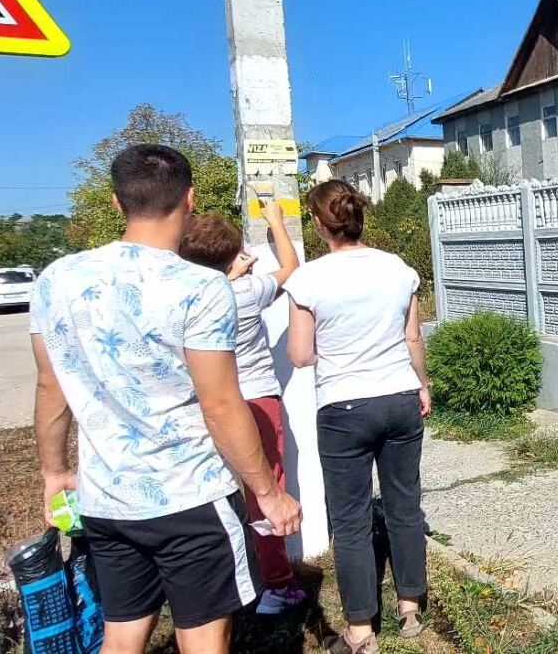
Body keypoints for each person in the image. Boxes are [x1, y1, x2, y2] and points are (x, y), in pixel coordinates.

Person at [31, 144, 301, 654]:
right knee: (203, 638)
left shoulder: (57, 280)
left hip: (107, 495)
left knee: (123, 634)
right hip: (191, 496)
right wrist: (267, 490)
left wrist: (54, 473)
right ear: (190, 198)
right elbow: (220, 404)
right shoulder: (201, 287)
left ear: (117, 203)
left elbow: (51, 386)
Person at [285, 181, 433, 653]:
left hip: (344, 406)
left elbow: (301, 353)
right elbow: (413, 339)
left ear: (317, 223)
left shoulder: (308, 279)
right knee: (404, 504)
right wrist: (422, 385)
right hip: (400, 397)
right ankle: (411, 605)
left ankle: (361, 631)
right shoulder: (398, 269)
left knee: (349, 521)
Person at [177, 197, 305, 614]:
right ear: (234, 257)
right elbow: (290, 269)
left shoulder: (185, 299)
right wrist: (276, 224)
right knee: (266, 490)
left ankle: (216, 583)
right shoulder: (249, 291)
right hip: (257, 400)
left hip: (202, 402)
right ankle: (277, 586)